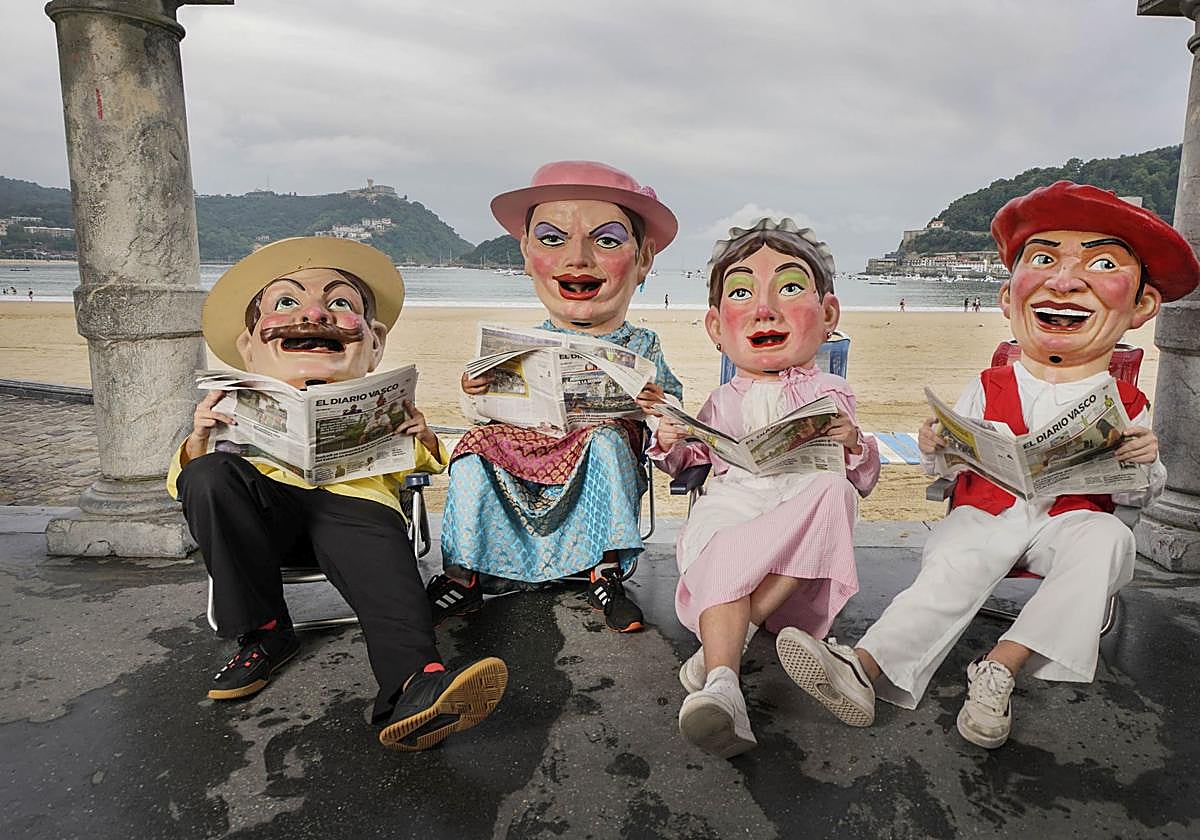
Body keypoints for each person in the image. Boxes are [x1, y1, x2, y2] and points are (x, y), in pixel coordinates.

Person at [777, 181, 1199, 749]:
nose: (1064, 280)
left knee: (1105, 542)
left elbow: (1139, 496)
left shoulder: (1125, 403)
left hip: (1069, 520)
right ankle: (863, 669)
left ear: (1141, 307)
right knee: (954, 561)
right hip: (988, 511)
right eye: (1043, 260)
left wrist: (1143, 463)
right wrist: (937, 445)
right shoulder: (988, 384)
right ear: (1008, 298)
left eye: (1099, 263)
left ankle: (1000, 667)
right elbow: (941, 473)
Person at [166, 236, 507, 751]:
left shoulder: (379, 403)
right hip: (265, 521)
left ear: (374, 343)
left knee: (371, 526)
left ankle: (415, 686)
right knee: (210, 474)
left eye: (340, 303)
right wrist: (198, 438)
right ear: (249, 346)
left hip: (354, 511)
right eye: (286, 303)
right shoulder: (230, 403)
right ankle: (263, 633)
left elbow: (430, 463)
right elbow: (185, 484)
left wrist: (422, 432)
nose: (313, 315)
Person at [650, 218, 880, 758]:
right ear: (716, 326)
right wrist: (671, 439)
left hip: (799, 510)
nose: (764, 309)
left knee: (835, 493)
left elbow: (862, 479)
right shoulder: (722, 398)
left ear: (827, 315)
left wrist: (854, 444)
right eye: (741, 293)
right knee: (724, 538)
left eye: (791, 288)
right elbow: (690, 464)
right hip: (737, 498)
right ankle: (725, 689)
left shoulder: (830, 389)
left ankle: (730, 640)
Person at [430, 161, 682, 633]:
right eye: (551, 239)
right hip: (527, 447)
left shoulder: (643, 344)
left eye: (607, 240)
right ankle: (462, 577)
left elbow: (674, 416)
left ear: (643, 257)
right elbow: (484, 413)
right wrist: (474, 392)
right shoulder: (522, 343)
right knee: (469, 453)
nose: (577, 259)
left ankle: (604, 570)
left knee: (606, 440)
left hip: (597, 451)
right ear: (527, 253)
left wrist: (658, 407)